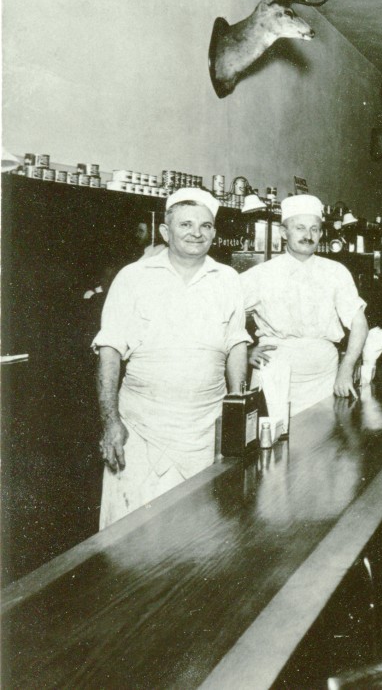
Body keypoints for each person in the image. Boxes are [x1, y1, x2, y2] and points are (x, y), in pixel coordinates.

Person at [93, 188, 250, 529]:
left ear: (214, 233)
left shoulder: (228, 279)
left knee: (201, 532)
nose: (197, 232)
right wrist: (110, 423)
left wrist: (236, 410)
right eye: (187, 224)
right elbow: (110, 351)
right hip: (141, 427)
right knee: (133, 533)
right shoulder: (133, 277)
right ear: (165, 232)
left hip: (207, 427)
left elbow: (236, 344)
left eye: (206, 226)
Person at [242, 194, 369, 414]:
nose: (308, 235)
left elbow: (359, 323)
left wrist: (346, 368)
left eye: (314, 229)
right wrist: (244, 351)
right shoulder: (261, 274)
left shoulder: (335, 271)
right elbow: (220, 316)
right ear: (284, 233)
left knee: (322, 441)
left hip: (324, 377)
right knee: (268, 438)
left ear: (321, 233)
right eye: (300, 228)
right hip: (274, 373)